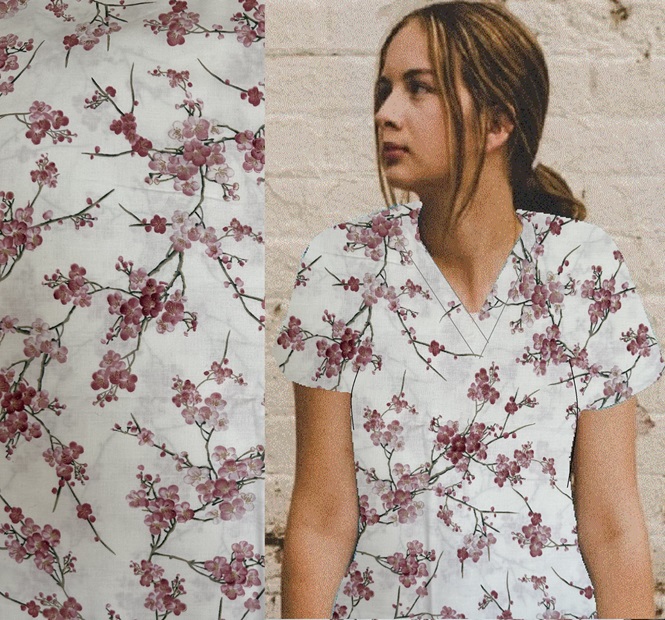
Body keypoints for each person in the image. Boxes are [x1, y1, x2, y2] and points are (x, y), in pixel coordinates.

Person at [272, 2, 665, 618]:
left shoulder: (582, 270)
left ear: (497, 123)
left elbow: (612, 523)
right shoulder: (341, 267)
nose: (385, 113)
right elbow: (322, 519)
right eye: (384, 89)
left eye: (418, 88)